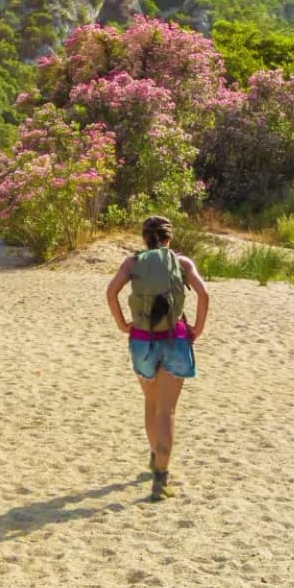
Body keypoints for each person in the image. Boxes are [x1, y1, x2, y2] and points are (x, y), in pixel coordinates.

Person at [106, 215, 210, 501]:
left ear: (144, 238)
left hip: (141, 341)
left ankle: (156, 458)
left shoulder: (132, 263)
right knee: (167, 411)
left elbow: (111, 293)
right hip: (175, 339)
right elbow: (204, 294)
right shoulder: (182, 263)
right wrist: (197, 328)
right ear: (169, 238)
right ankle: (161, 480)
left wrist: (121, 323)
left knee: (151, 404)